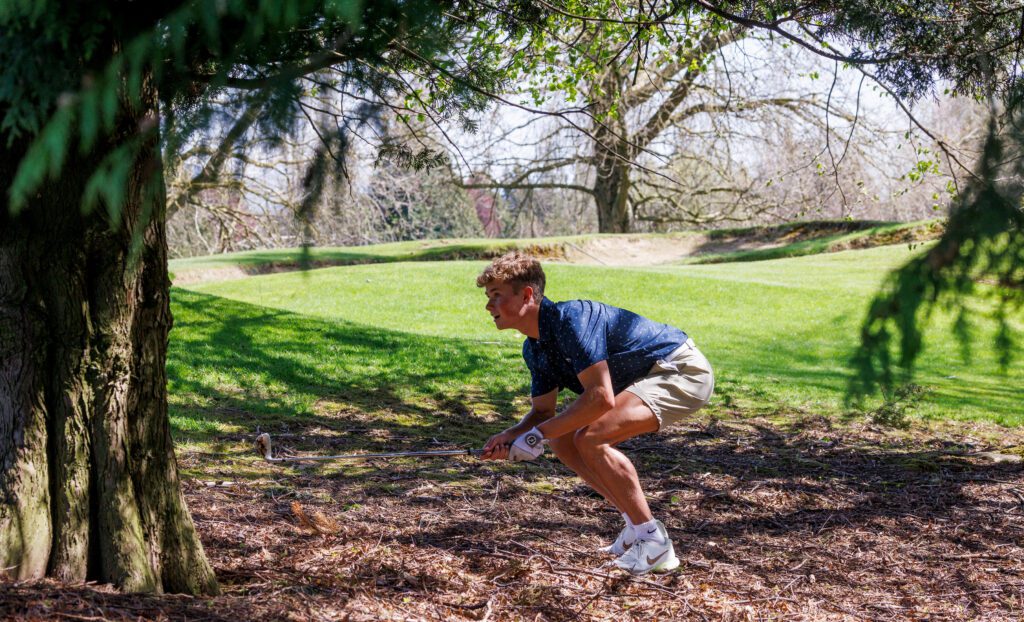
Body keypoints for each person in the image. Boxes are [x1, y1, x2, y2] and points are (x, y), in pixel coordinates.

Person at [478, 251, 714, 575]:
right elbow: (542, 412)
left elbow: (601, 398)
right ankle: (635, 527)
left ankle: (654, 542)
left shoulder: (571, 320)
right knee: (562, 439)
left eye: (496, 296)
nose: (488, 306)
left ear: (527, 295)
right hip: (650, 378)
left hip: (680, 371)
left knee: (591, 438)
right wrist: (512, 435)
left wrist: (535, 436)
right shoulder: (534, 347)